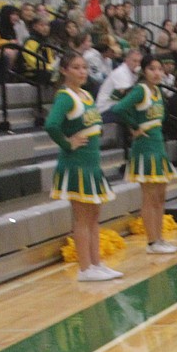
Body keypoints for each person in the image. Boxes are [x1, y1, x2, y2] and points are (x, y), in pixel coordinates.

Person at [45, 51, 120, 282]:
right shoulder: (65, 97)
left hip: (91, 163)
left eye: (84, 68)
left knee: (94, 216)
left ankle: (96, 263)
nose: (82, 72)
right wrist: (68, 143)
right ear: (64, 71)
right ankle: (85, 268)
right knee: (81, 217)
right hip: (76, 164)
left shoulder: (86, 95)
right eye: (76, 68)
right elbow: (51, 124)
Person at [112, 54, 177, 255]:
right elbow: (119, 107)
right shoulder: (141, 90)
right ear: (144, 71)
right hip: (145, 147)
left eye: (159, 69)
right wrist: (134, 126)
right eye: (152, 69)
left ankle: (159, 238)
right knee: (150, 197)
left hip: (158, 146)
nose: (157, 73)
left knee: (160, 196)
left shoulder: (157, 91)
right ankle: (151, 242)